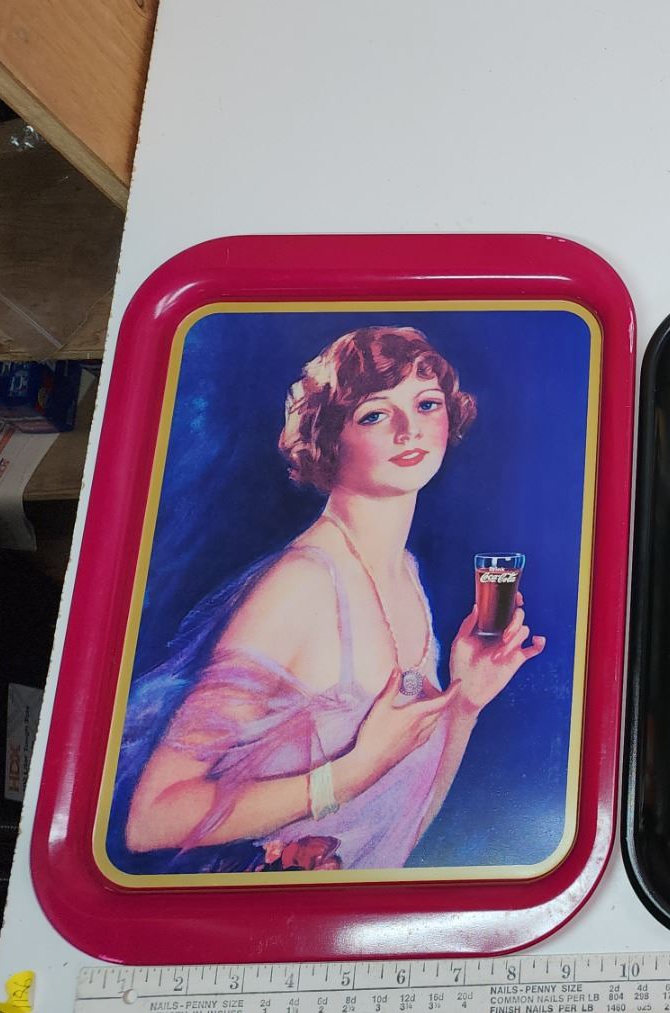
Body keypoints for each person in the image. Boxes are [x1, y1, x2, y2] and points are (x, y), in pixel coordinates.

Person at [115, 326, 545, 874]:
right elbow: (150, 820)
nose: (409, 429)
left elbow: (396, 828)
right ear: (329, 438)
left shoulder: (407, 575)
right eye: (375, 414)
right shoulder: (302, 586)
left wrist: (465, 703)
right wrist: (348, 774)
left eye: (426, 404)